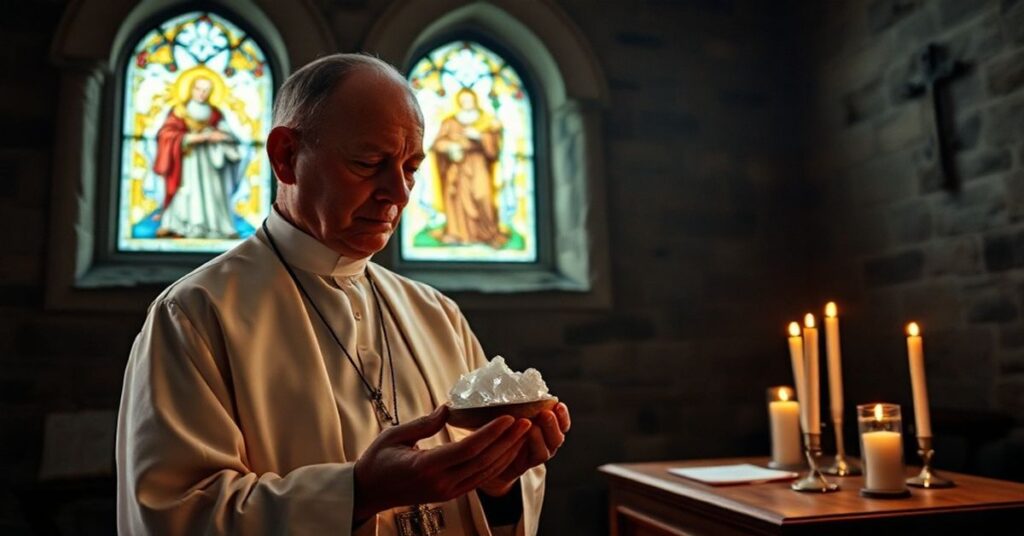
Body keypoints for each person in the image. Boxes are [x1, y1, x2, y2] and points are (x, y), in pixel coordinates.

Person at [116, 53, 570, 536]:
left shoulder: (437, 314)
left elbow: (494, 505)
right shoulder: (196, 314)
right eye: (369, 162)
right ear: (285, 157)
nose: (398, 193)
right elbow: (174, 514)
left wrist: (496, 486)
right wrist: (360, 493)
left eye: (411, 167)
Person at [153, 74, 240, 239]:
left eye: (206, 90)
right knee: (187, 192)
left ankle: (213, 227)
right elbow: (166, 135)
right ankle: (181, 226)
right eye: (199, 89)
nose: (202, 93)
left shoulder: (215, 113)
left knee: (211, 192)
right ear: (191, 89)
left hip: (210, 162)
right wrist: (201, 137)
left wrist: (221, 135)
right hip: (187, 161)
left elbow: (228, 133)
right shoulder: (180, 111)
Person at [430, 88, 507, 248]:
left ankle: (488, 233)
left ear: (475, 101)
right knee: (458, 199)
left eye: (470, 100)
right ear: (459, 102)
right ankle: (458, 234)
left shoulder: (487, 122)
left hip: (478, 164)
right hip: (458, 167)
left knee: (482, 195)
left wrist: (479, 137)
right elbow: (437, 144)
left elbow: (494, 150)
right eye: (463, 101)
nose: (467, 104)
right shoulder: (450, 122)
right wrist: (451, 147)